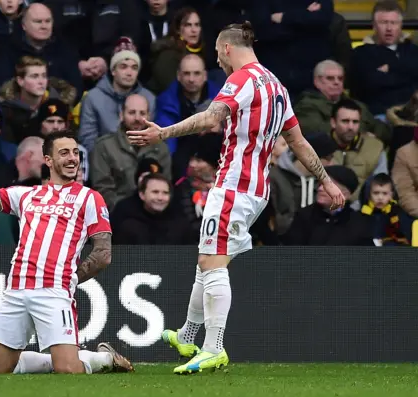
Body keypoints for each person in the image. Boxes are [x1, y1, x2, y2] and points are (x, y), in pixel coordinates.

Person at [127, 21, 346, 375]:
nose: (218, 60)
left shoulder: (241, 80)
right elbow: (299, 142)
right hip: (257, 189)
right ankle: (188, 334)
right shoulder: (277, 87)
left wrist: (164, 132)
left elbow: (212, 118)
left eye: (216, 53)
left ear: (228, 48)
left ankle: (213, 348)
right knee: (207, 259)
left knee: (213, 265)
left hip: (233, 185)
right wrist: (328, 181)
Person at [0, 120, 134, 375]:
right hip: (16, 289)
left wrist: (72, 278)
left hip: (54, 291)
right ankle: (62, 358)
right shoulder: (26, 195)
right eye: (64, 153)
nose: (72, 158)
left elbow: (103, 253)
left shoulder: (89, 197)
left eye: (75, 152)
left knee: (69, 370)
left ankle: (104, 359)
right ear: (48, 160)